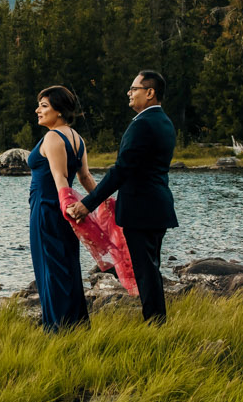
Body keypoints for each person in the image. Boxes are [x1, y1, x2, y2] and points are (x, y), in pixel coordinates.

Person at [67, 69, 177, 324]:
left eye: (133, 89)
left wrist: (87, 204)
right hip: (157, 207)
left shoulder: (144, 124)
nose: (129, 93)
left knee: (146, 271)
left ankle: (155, 325)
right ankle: (157, 321)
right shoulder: (164, 122)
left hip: (142, 209)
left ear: (150, 93)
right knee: (150, 267)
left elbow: (122, 170)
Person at [27, 85, 95, 332]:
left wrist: (68, 205)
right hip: (62, 210)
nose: (38, 110)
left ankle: (57, 328)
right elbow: (86, 178)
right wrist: (101, 201)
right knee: (66, 265)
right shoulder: (77, 138)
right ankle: (75, 325)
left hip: (48, 209)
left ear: (59, 111)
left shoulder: (53, 137)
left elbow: (60, 177)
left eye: (44, 106)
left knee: (50, 269)